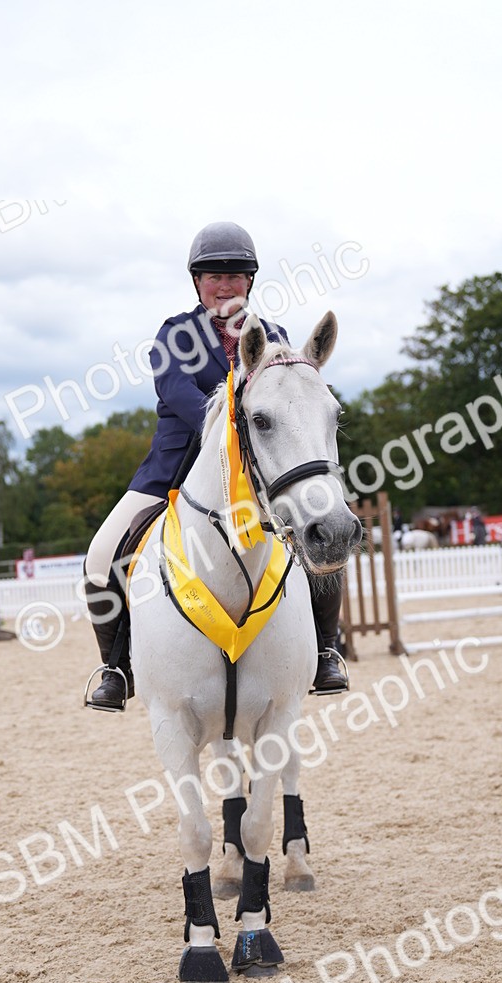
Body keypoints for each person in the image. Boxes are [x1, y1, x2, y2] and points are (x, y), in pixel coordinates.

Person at [83, 221, 349, 710]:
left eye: (234, 276)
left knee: (314, 529)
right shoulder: (175, 334)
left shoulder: (274, 336)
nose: (224, 286)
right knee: (101, 556)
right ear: (197, 282)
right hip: (177, 467)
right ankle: (116, 668)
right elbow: (177, 393)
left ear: (249, 281)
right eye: (213, 276)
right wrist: (230, 421)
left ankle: (326, 649)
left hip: (258, 471)